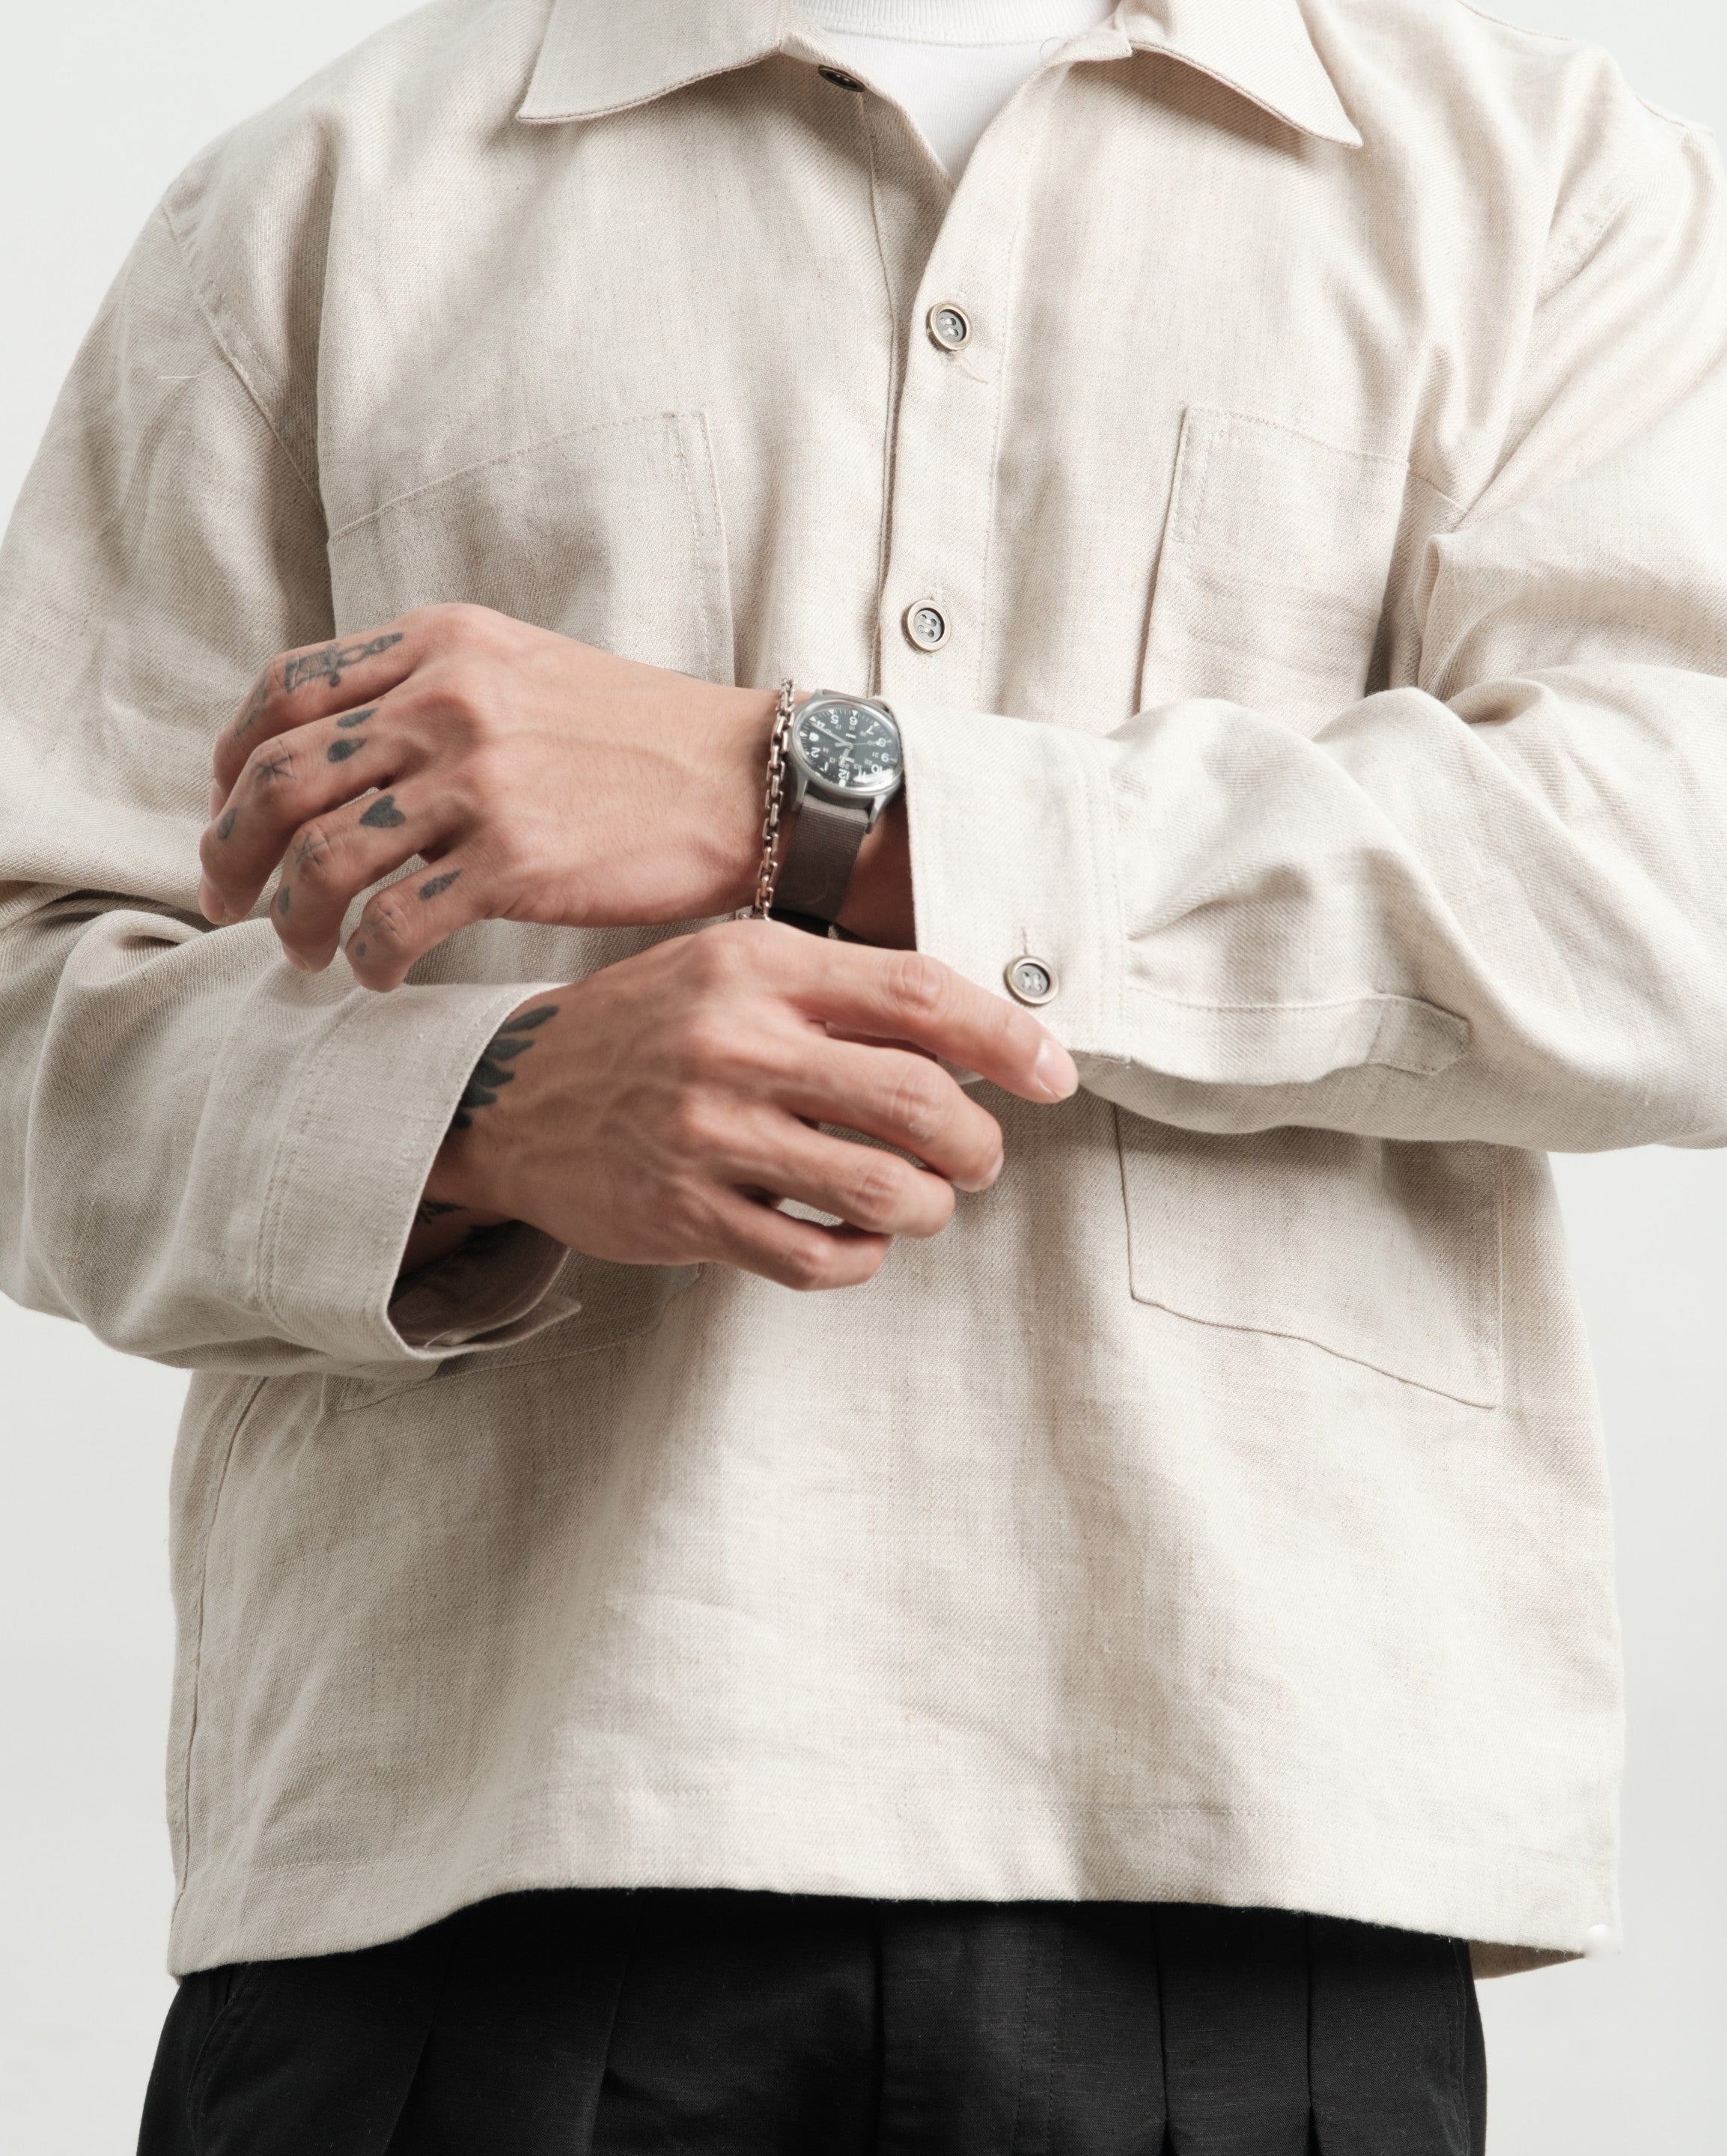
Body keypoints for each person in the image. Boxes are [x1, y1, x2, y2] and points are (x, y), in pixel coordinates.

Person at [2, 0, 1723, 2146]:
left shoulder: (1536, 184)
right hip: (475, 1855)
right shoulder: (325, 199)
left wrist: (818, 790)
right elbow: (27, 1002)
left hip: (1227, 1839)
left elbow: (1676, 895)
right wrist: (486, 1110)